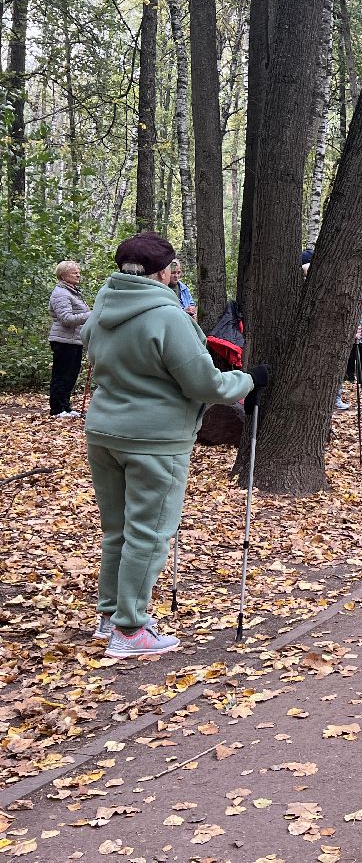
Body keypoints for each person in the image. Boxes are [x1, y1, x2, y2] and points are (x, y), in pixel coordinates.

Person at [81, 232, 258, 657]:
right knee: (149, 533)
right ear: (163, 272)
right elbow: (204, 384)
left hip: (104, 431)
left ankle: (112, 616)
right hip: (155, 438)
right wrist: (249, 380)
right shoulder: (168, 316)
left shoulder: (103, 304)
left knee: (118, 530)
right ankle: (130, 630)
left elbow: (90, 348)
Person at [48, 260, 91, 418]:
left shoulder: (72, 292)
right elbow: (66, 319)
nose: (78, 275)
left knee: (71, 375)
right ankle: (57, 409)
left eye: (78, 272)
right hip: (63, 340)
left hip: (73, 340)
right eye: (74, 272)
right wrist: (91, 315)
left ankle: (65, 407)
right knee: (62, 375)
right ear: (63, 276)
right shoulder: (61, 293)